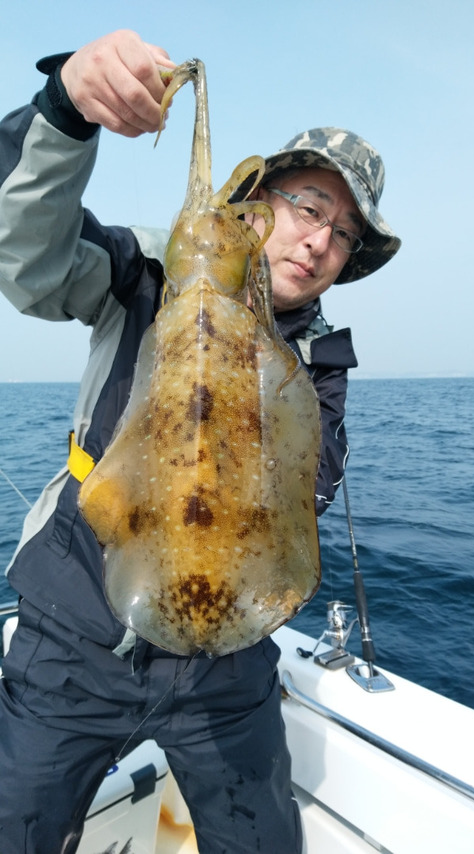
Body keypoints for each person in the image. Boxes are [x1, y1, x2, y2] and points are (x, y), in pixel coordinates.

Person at [0, 30, 400, 854]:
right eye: (307, 206)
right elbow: (29, 258)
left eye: (343, 232)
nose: (319, 239)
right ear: (257, 207)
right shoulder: (144, 275)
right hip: (75, 631)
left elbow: (308, 487)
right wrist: (67, 113)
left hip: (228, 663)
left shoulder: (317, 361)